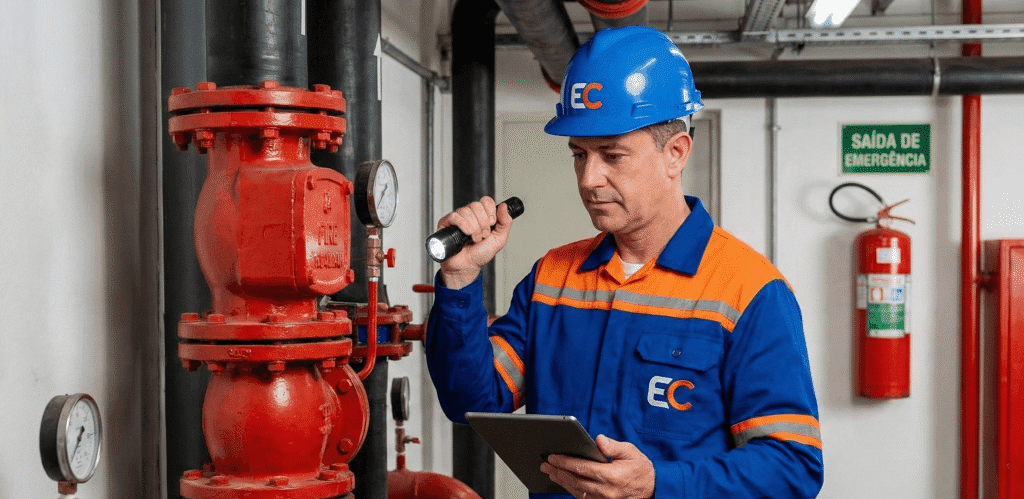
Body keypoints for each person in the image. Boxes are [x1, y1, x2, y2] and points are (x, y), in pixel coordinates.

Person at [425, 26, 823, 499]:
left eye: (612, 155)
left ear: (675, 153)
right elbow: (471, 398)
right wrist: (460, 278)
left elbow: (792, 466)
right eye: (579, 155)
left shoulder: (749, 292)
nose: (590, 179)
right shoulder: (553, 278)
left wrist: (659, 483)